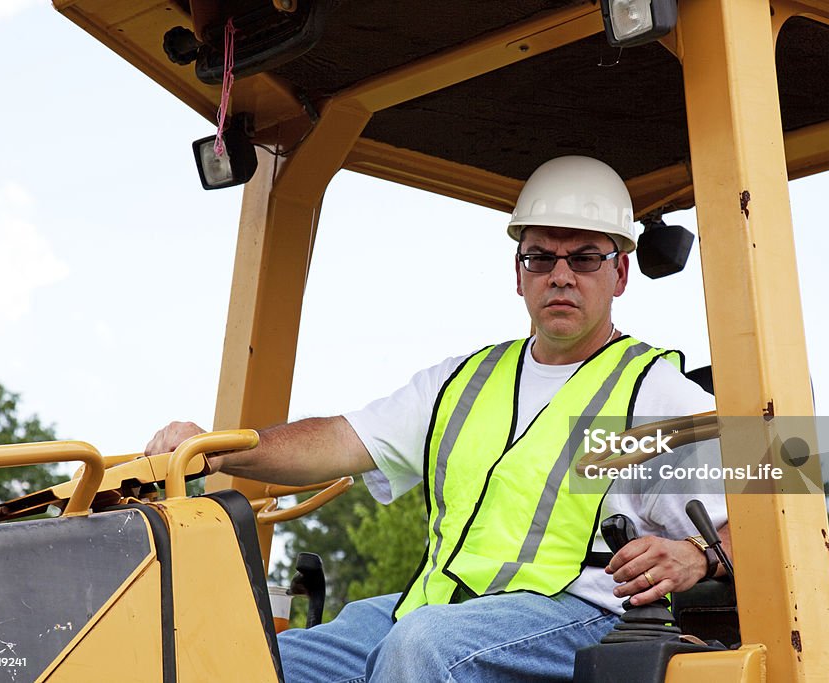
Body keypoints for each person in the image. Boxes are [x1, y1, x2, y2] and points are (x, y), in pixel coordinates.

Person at [146, 156, 730, 682]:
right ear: (519, 271)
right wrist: (218, 449)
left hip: (579, 617)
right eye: (541, 256)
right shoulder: (462, 382)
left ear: (619, 275)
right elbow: (339, 439)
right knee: (255, 658)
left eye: (584, 258)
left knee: (424, 646)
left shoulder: (657, 393)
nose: (560, 274)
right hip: (442, 606)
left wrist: (698, 555)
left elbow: (778, 518)